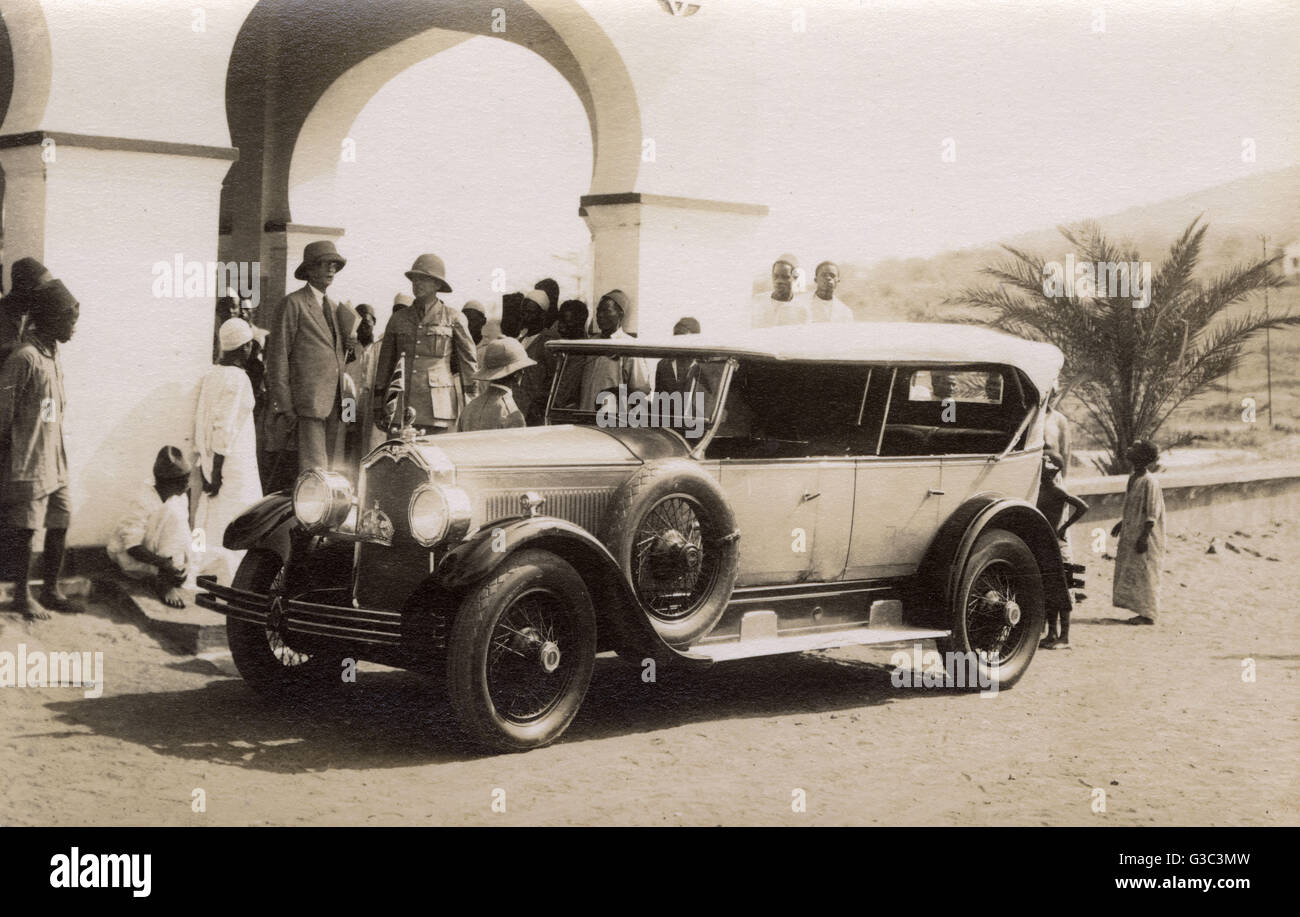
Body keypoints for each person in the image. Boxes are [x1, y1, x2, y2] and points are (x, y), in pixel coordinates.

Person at [0, 279, 79, 619]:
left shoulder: (52, 355)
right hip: (29, 458)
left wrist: (46, 423)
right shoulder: (24, 357)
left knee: (61, 519)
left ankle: (50, 588)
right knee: (26, 528)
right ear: (48, 319)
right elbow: (5, 413)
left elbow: (47, 406)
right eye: (69, 319)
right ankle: (21, 595)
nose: (74, 326)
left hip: (54, 458)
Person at [266, 240, 351, 475]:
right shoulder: (293, 304)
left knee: (333, 471)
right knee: (313, 472)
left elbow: (341, 358)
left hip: (336, 402)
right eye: (325, 264)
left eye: (334, 264)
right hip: (308, 406)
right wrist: (286, 406)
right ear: (310, 269)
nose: (331, 269)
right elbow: (277, 357)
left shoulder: (335, 309)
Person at [372, 253, 478, 435]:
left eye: (424, 279)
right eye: (414, 279)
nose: (417, 284)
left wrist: (472, 405)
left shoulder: (453, 318)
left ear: (437, 284)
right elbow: (385, 365)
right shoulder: (398, 319)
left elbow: (469, 365)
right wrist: (378, 403)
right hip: (401, 403)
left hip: (438, 407)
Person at [193, 319, 264, 585]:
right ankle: (233, 577)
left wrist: (207, 464)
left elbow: (203, 422)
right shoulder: (238, 378)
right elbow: (225, 425)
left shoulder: (212, 374)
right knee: (239, 514)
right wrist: (220, 469)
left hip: (213, 457)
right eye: (249, 346)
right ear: (243, 347)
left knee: (211, 516)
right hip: (233, 462)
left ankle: (208, 569)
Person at [107, 446, 195, 609]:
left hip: (164, 559)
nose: (188, 483)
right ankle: (165, 584)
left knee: (222, 560)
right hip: (134, 560)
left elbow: (184, 534)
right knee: (172, 514)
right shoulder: (142, 499)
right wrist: (164, 565)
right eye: (185, 479)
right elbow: (132, 547)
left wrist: (186, 562)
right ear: (170, 481)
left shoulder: (180, 496)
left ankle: (175, 572)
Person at [1036, 448, 1088, 649]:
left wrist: (1064, 527)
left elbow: (1082, 506)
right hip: (1047, 544)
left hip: (1058, 546)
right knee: (1050, 590)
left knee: (1062, 591)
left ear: (1052, 471)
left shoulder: (1057, 491)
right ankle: (1052, 633)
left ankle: (1064, 636)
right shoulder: (1041, 489)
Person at [1112, 440, 1165, 626]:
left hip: (1145, 535)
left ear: (1142, 456)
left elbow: (1152, 512)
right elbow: (1134, 506)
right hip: (1133, 530)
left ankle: (1148, 614)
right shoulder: (1134, 478)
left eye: (1134, 448)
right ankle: (1140, 610)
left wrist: (1144, 537)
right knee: (1134, 569)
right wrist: (1122, 523)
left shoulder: (1150, 482)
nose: (1128, 449)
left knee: (1146, 571)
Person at [579, 290, 651, 411]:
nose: (600, 315)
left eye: (606, 311)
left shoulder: (630, 346)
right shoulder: (590, 343)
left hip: (612, 421)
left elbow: (641, 389)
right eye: (598, 311)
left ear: (620, 314)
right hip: (585, 415)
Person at [458, 338, 535, 432]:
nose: (523, 372)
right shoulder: (512, 414)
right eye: (521, 369)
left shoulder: (469, 408)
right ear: (516, 374)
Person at [516, 289, 559, 424]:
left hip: (535, 412)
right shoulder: (520, 340)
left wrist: (538, 404)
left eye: (530, 313)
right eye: (523, 312)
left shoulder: (549, 341)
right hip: (517, 408)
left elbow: (554, 379)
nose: (526, 317)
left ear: (542, 315)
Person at [0, 257, 55, 362]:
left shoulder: (32, 317)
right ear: (26, 288)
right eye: (43, 288)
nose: (48, 294)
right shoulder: (3, 314)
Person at [751, 254, 810, 328]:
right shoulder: (758, 301)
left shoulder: (801, 309)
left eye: (785, 277)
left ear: (794, 278)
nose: (779, 281)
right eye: (776, 276)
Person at [655, 316, 701, 398]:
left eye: (685, 340)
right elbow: (658, 404)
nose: (680, 345)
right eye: (677, 338)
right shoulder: (663, 365)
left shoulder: (704, 367)